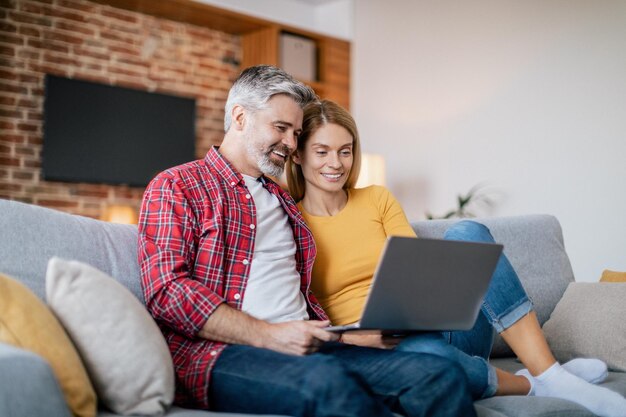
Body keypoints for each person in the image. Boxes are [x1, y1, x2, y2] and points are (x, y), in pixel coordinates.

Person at [138, 65, 476, 417]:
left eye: (296, 133)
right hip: (221, 354)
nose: (290, 143)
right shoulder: (178, 185)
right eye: (280, 128)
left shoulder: (283, 201)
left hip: (312, 347)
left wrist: (344, 335)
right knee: (328, 383)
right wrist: (269, 335)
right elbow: (167, 292)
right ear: (239, 117)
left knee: (439, 374)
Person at [285, 99, 626, 417]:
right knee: (433, 361)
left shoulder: (376, 198)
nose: (336, 163)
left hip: (434, 328)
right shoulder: (291, 223)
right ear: (298, 155)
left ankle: (549, 371)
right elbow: (296, 314)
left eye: (345, 151)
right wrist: (353, 338)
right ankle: (536, 382)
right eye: (322, 151)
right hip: (377, 350)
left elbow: (413, 268)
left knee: (469, 232)